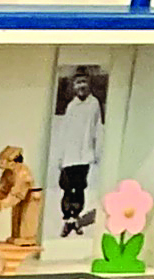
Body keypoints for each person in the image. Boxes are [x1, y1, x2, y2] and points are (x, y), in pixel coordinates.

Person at [54, 69, 104, 237]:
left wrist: (96, 152)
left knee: (79, 187)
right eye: (78, 83)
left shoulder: (94, 104)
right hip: (69, 155)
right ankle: (67, 220)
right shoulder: (71, 106)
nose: (81, 86)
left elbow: (97, 129)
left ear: (88, 84)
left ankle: (76, 219)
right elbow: (65, 132)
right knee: (67, 188)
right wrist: (60, 156)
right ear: (74, 86)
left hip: (84, 155)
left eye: (84, 82)